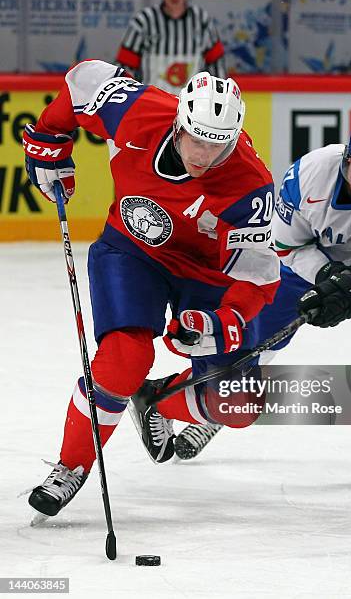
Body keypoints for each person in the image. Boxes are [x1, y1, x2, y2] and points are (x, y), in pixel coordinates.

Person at [23, 59, 279, 519]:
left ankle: (157, 398)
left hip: (209, 275)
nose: (202, 155)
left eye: (217, 146)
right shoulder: (139, 110)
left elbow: (257, 277)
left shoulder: (251, 185)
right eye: (195, 139)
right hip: (132, 250)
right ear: (179, 121)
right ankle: (70, 465)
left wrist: (225, 321)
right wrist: (49, 138)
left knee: (238, 402)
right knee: (125, 355)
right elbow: (86, 79)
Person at [155, 112, 351, 488]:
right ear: (349, 155)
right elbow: (286, 245)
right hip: (307, 258)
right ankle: (207, 408)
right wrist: (327, 277)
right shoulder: (309, 174)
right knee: (259, 338)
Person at [116, 0, 226, 94]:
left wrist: (217, 96)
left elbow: (216, 65)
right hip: (152, 103)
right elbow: (125, 66)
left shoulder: (201, 21)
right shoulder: (144, 21)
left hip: (194, 106)